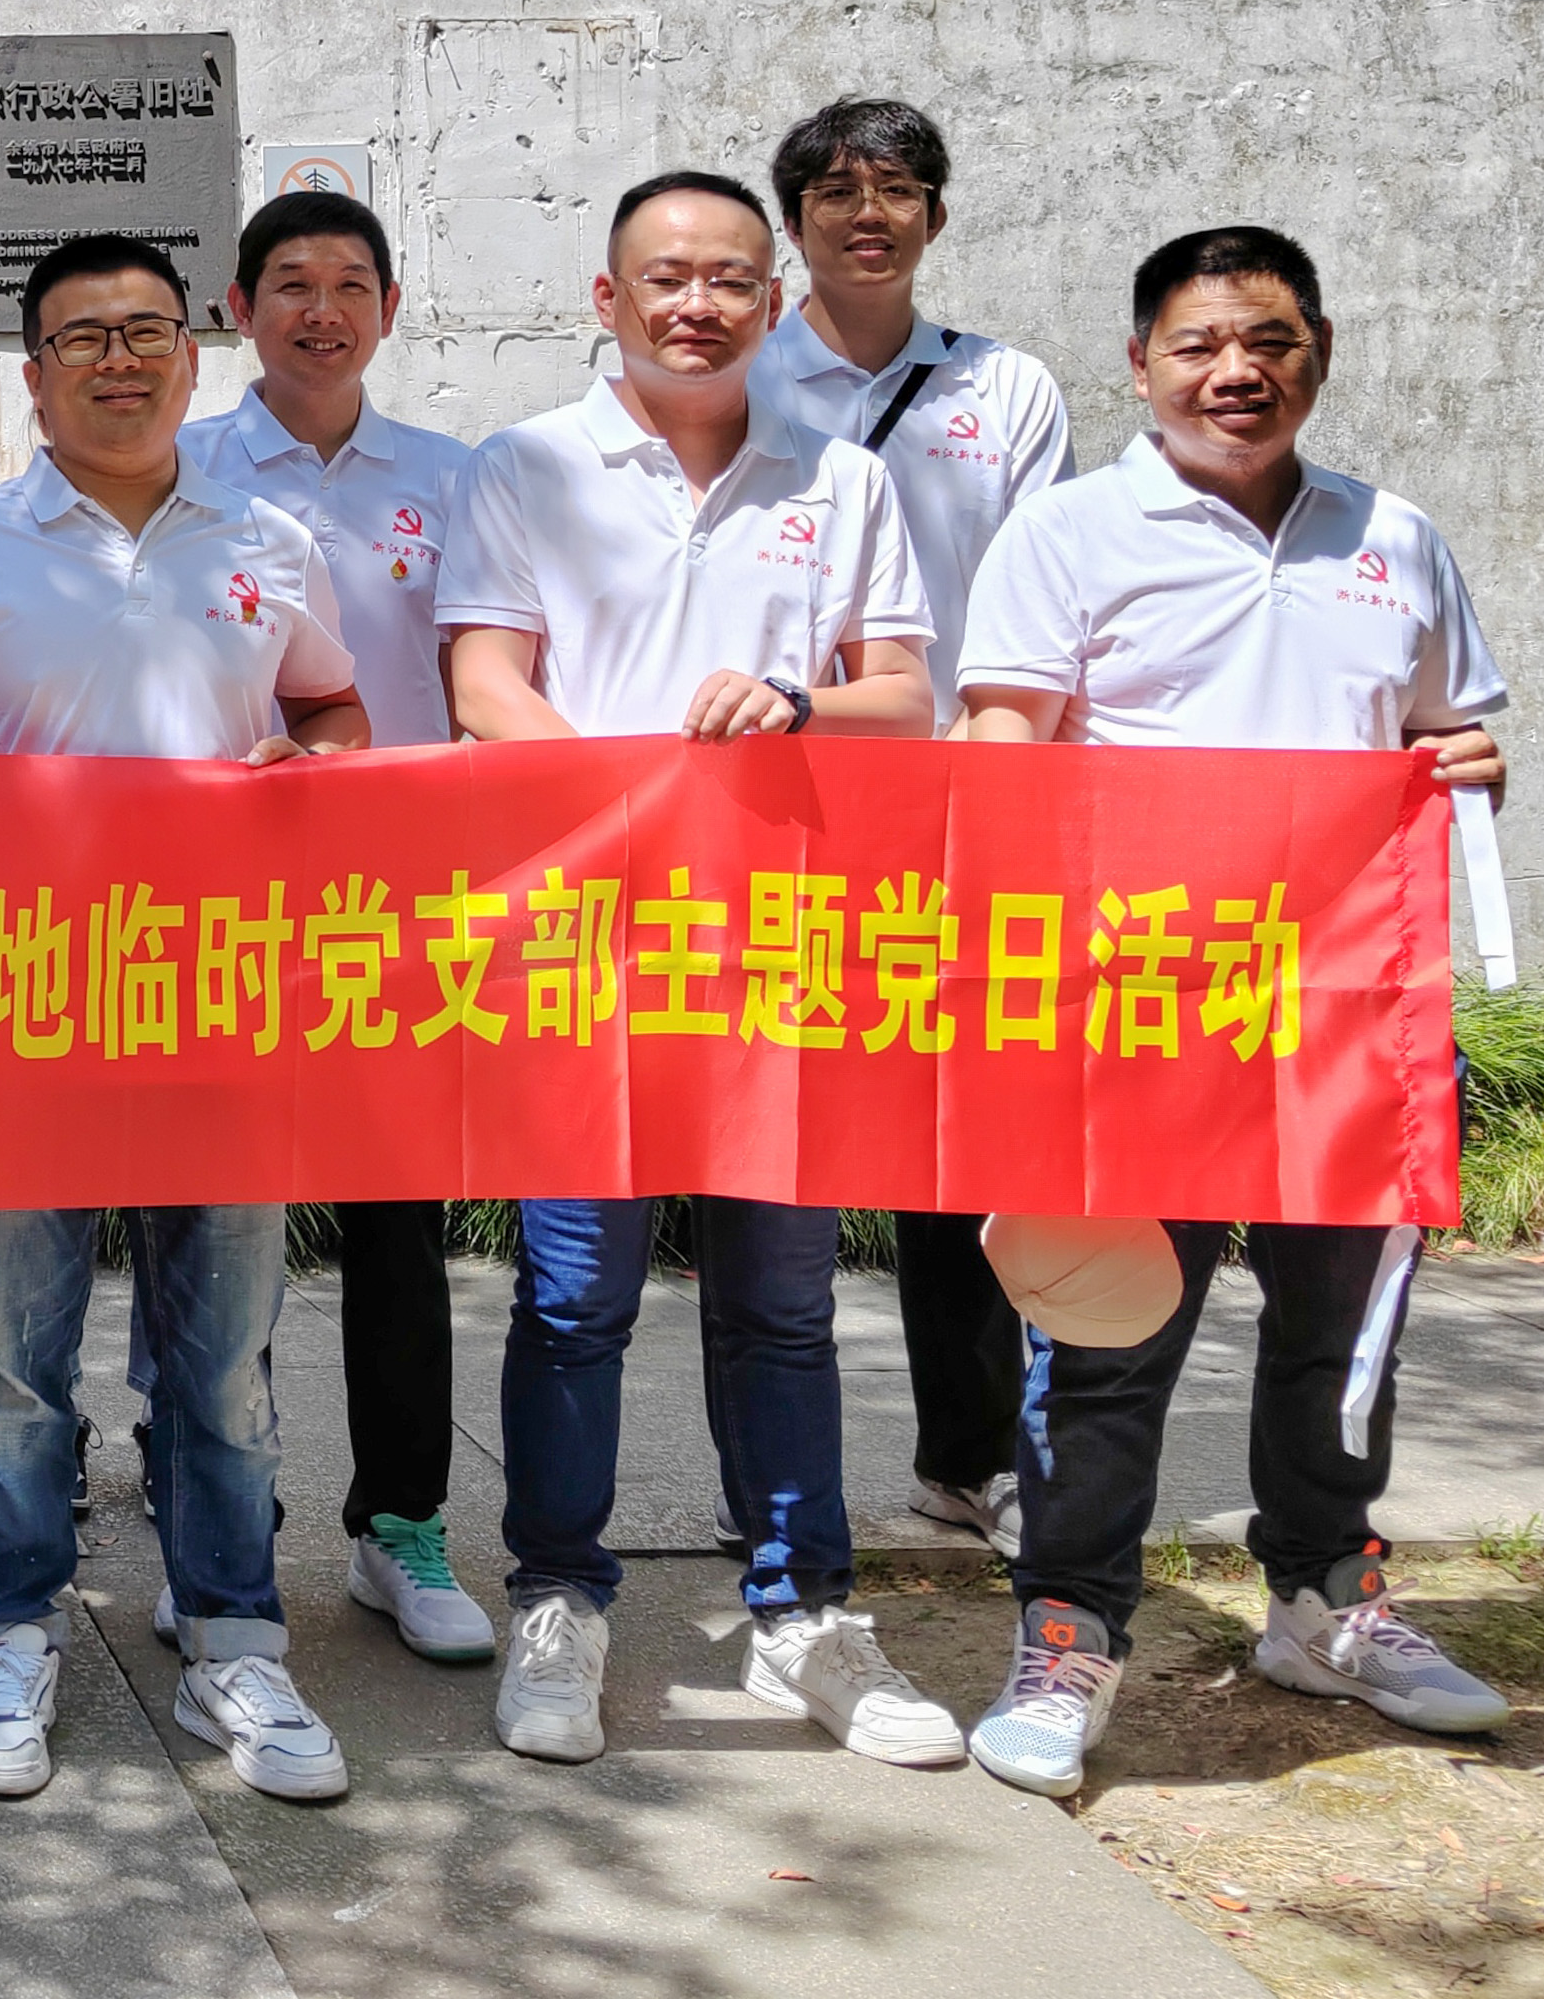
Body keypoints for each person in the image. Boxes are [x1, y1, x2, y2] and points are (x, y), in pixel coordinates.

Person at [956, 224, 1513, 1797]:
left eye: (1270, 341)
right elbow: (1002, 755)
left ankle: (1325, 1601)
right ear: (1141, 365)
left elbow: (1453, 740)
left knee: (1339, 1332)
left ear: (1317, 354)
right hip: (1136, 1017)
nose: (1237, 371)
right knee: (1109, 1329)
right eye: (1200, 344)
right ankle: (1069, 1630)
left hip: (1348, 1018)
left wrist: (1469, 767)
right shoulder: (1067, 534)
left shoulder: (1394, 537)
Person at [436, 170, 964, 1774]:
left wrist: (799, 705)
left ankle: (805, 1610)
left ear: (772, 303)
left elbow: (905, 697)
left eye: (731, 279)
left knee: (783, 1303)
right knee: (574, 1295)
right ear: (608, 300)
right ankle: (558, 1598)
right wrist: (626, 815)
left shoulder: (841, 480)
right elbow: (484, 681)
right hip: (588, 947)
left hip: (777, 945)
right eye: (666, 278)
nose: (698, 304)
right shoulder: (527, 465)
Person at [0, 234, 371, 1808]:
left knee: (220, 1360)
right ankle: (12, 1628)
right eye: (82, 337)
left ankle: (234, 1634)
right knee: (16, 1361)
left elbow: (332, 707)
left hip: (221, 1000)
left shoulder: (267, 540)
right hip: (26, 1007)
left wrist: (315, 765)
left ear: (193, 354)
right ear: (32, 376)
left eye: (146, 331)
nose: (118, 360)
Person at [755, 98, 1075, 1566]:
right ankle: (769, 1476)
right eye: (834, 190)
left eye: (895, 189)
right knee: (781, 1143)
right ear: (795, 222)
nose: (866, 212)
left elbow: (1039, 583)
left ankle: (969, 1457)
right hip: (782, 801)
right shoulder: (739, 366)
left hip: (962, 800)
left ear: (936, 216)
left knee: (962, 1139)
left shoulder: (1005, 388)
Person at [173, 189, 490, 1666]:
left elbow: (488, 675)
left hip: (401, 903)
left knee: (395, 1225)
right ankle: (210, 1523)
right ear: (240, 309)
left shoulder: (457, 480)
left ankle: (401, 1524)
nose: (322, 310)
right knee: (204, 1230)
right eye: (290, 284)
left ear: (391, 307)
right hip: (217, 905)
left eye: (350, 284)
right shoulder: (180, 468)